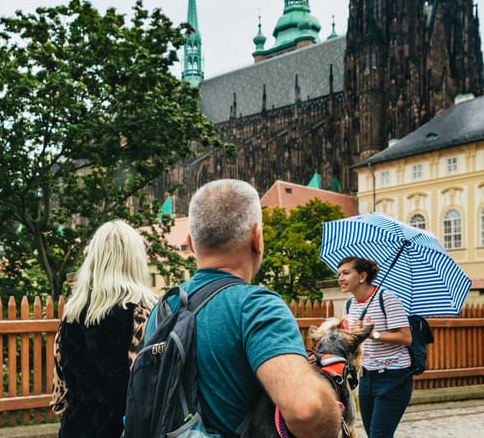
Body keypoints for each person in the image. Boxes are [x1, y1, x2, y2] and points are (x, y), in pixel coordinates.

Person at [144, 179, 342, 438]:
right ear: (257, 238)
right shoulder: (256, 307)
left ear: (191, 244)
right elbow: (306, 412)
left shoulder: (162, 309)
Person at [56, 219, 158, 438]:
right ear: (135, 259)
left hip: (77, 429)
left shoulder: (71, 314)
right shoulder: (147, 313)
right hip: (129, 429)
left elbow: (60, 391)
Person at [337, 255, 413, 438]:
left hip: (393, 376)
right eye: (339, 274)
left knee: (379, 435)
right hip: (366, 376)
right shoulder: (349, 304)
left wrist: (372, 333)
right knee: (372, 433)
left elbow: (406, 338)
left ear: (362, 276)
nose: (340, 278)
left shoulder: (386, 299)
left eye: (346, 273)